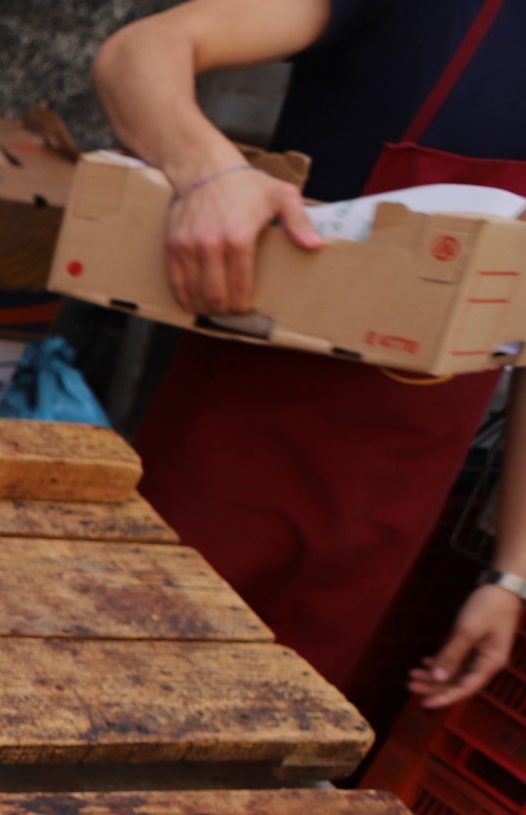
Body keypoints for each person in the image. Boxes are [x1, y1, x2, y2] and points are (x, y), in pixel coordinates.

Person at [94, 0, 526, 711]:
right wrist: (211, 175)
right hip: (235, 459)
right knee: (105, 697)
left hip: (383, 520)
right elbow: (141, 51)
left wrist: (509, 577)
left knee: (265, 755)